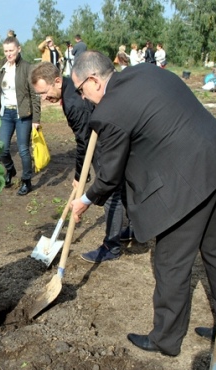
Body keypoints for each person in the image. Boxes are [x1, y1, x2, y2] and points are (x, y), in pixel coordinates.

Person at [70, 51, 216, 357]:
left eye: (80, 90)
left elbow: (110, 176)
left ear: (93, 80)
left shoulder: (109, 111)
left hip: (189, 183)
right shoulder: (148, 73)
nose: (83, 99)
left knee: (171, 262)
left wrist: (85, 200)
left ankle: (165, 339)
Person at [31, 61, 133, 262]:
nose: (43, 99)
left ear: (57, 81)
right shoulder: (72, 88)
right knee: (123, 186)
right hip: (111, 136)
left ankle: (111, 247)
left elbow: (84, 142)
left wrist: (80, 176)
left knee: (111, 192)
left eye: (44, 92)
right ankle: (133, 230)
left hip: (104, 144)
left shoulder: (73, 103)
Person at [0, 36, 40, 196]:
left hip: (23, 115)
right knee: (1, 148)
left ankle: (26, 181)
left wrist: (36, 120)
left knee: (23, 149)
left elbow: (35, 95)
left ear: (19, 49)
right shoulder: (3, 69)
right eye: (6, 51)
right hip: (6, 114)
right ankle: (10, 171)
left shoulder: (27, 68)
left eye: (11, 50)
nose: (9, 54)